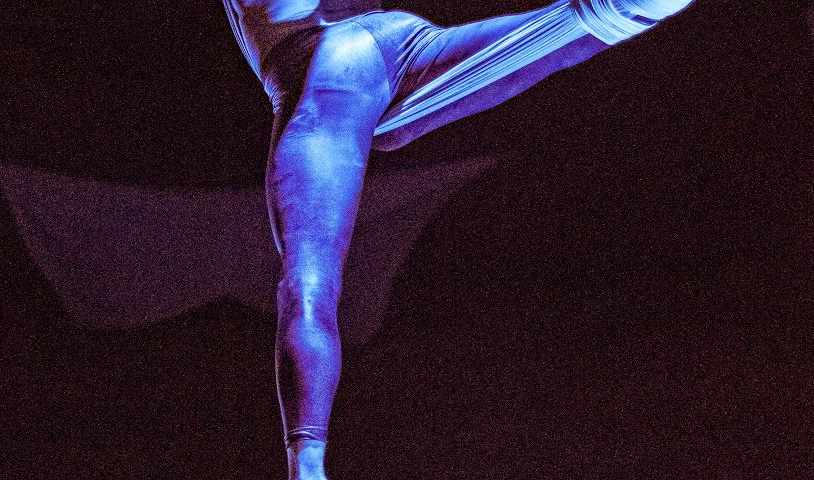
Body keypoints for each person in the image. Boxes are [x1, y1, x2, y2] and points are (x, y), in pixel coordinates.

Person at [218, 0, 694, 478]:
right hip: (403, 49)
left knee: (309, 282)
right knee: (569, 31)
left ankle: (307, 465)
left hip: (327, 77)